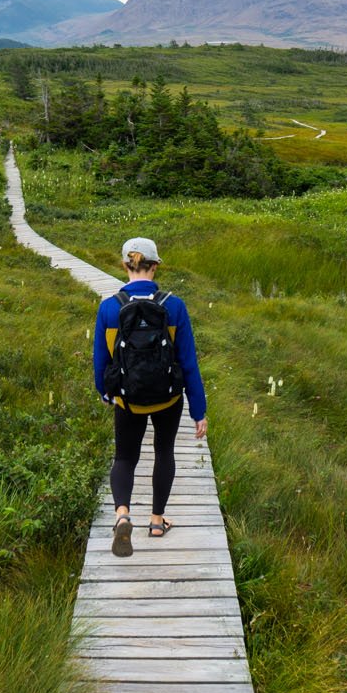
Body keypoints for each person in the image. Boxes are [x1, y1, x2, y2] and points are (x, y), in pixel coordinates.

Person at [93, 237, 207, 557]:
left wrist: (106, 393)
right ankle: (157, 521)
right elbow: (189, 362)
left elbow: (101, 360)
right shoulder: (174, 305)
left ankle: (122, 514)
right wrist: (199, 411)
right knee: (164, 452)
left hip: (128, 400)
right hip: (168, 399)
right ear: (155, 266)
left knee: (125, 458)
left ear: (125, 265)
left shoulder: (109, 307)